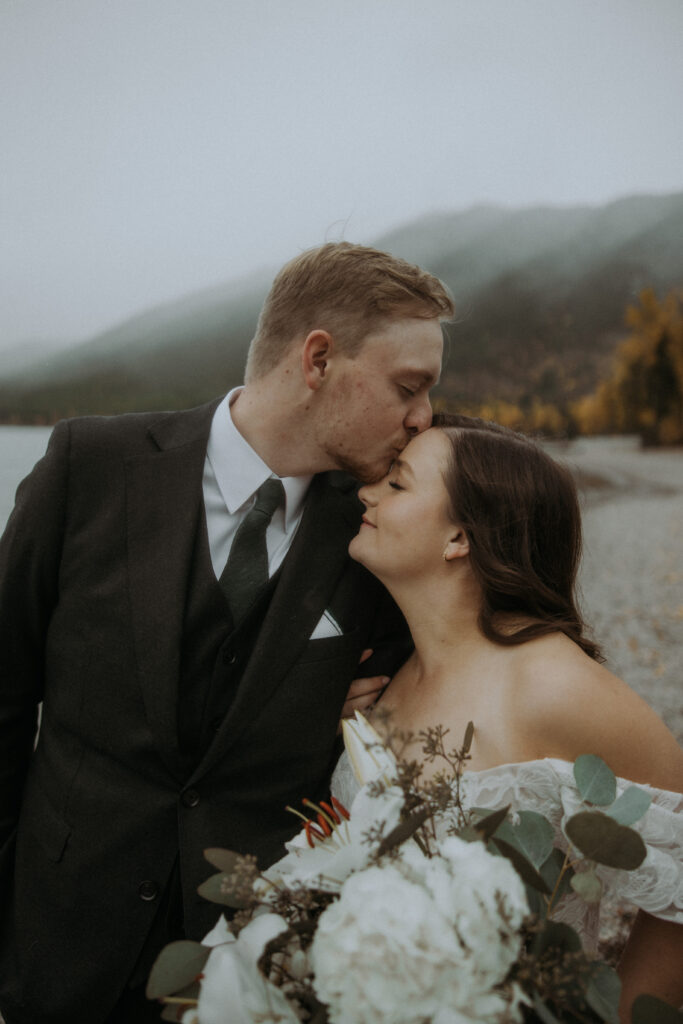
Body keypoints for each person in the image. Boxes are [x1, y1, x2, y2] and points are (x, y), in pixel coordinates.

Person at [0, 242, 453, 1024]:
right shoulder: (90, 466)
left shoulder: (384, 528)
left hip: (255, 971)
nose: (423, 416)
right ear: (316, 359)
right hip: (57, 944)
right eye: (407, 387)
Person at [336, 412, 683, 1021]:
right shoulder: (384, 679)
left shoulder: (550, 684)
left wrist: (619, 1014)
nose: (367, 492)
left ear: (459, 539)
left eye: (397, 483)